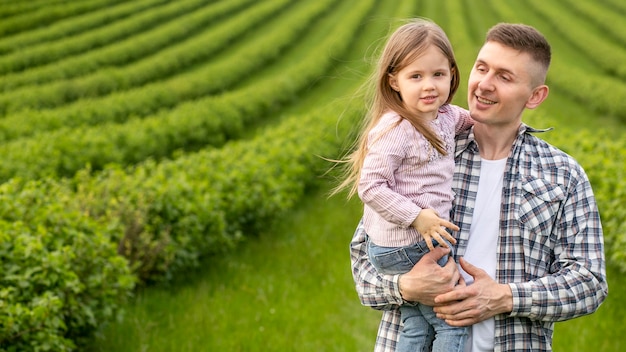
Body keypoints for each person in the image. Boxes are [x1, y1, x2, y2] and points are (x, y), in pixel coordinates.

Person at [349, 22, 608, 352]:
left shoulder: (561, 175)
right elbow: (365, 266)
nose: (484, 84)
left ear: (535, 96)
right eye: (482, 68)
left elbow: (589, 283)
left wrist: (505, 298)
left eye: (504, 76)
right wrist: (406, 287)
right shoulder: (425, 149)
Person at [332, 19, 473, 351]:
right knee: (451, 321)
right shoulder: (397, 126)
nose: (429, 86)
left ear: (452, 74)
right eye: (416, 76)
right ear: (394, 81)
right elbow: (371, 185)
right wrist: (417, 217)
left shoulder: (446, 115)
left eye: (438, 74)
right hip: (408, 244)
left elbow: (475, 121)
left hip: (398, 248)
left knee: (416, 327)